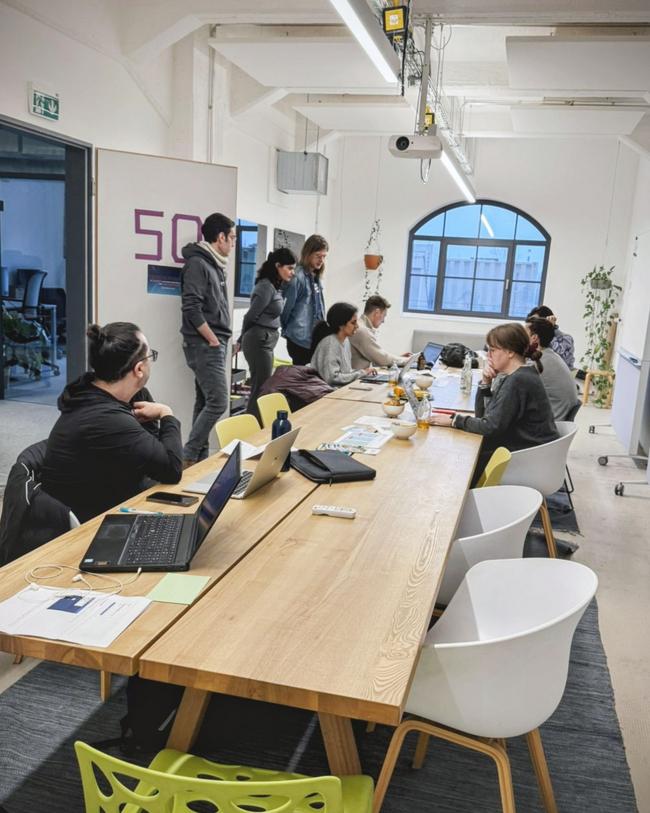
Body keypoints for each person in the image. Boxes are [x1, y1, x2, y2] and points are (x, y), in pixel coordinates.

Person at [41, 322, 182, 523]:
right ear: (139, 369)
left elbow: (154, 454)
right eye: (149, 356)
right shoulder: (106, 418)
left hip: (112, 499)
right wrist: (166, 413)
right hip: (89, 525)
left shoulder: (96, 391)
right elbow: (171, 470)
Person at [430, 323, 559, 486]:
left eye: (492, 350)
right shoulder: (518, 375)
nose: (488, 355)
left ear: (510, 352)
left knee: (456, 461)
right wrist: (485, 383)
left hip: (527, 459)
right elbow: (485, 417)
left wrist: (454, 420)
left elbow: (490, 427)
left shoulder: (518, 381)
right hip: (525, 451)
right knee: (460, 452)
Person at [180, 212, 235, 465]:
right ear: (220, 237)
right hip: (205, 344)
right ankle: (189, 456)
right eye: (232, 238)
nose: (233, 244)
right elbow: (191, 307)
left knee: (204, 401)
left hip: (214, 343)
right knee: (218, 401)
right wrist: (213, 339)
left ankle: (197, 459)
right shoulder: (198, 264)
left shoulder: (214, 264)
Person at [240, 247, 296, 419]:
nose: (292, 272)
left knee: (263, 387)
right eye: (289, 268)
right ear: (277, 266)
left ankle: (256, 423)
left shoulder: (275, 286)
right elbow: (250, 316)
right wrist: (240, 339)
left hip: (266, 340)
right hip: (258, 340)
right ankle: (252, 426)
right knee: (260, 388)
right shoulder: (266, 287)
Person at [280, 234, 328, 365]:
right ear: (308, 253)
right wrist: (286, 331)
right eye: (318, 256)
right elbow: (285, 309)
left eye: (324, 256)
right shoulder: (297, 277)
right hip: (299, 339)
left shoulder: (316, 276)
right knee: (301, 376)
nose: (321, 260)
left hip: (314, 339)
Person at [309, 302, 378, 387]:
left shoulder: (346, 340)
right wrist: (362, 373)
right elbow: (332, 378)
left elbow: (346, 373)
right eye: (353, 323)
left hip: (340, 389)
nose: (357, 326)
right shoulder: (330, 344)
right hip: (327, 392)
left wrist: (362, 374)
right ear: (341, 325)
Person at [525, 317, 578, 422]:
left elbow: (510, 393)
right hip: (559, 418)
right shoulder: (551, 355)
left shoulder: (536, 363)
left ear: (534, 338)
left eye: (523, 333)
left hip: (549, 423)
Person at [349, 294, 411, 370]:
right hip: (358, 376)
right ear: (377, 312)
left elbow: (376, 357)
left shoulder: (361, 326)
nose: (383, 321)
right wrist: (409, 360)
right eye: (384, 316)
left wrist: (399, 358)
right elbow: (382, 359)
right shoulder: (362, 330)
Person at [526, 305, 575, 370]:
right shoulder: (533, 338)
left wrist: (548, 330)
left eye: (535, 322)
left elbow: (558, 359)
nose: (532, 326)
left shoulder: (566, 338)